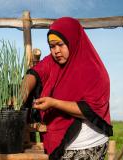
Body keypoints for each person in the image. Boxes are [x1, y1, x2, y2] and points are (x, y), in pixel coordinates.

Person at [22, 17, 113, 159]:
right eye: (52, 46)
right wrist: (22, 92)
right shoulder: (53, 62)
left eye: (60, 44)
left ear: (73, 40)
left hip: (87, 144)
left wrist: (54, 103)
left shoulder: (95, 72)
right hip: (64, 144)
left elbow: (91, 109)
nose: (56, 51)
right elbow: (35, 73)